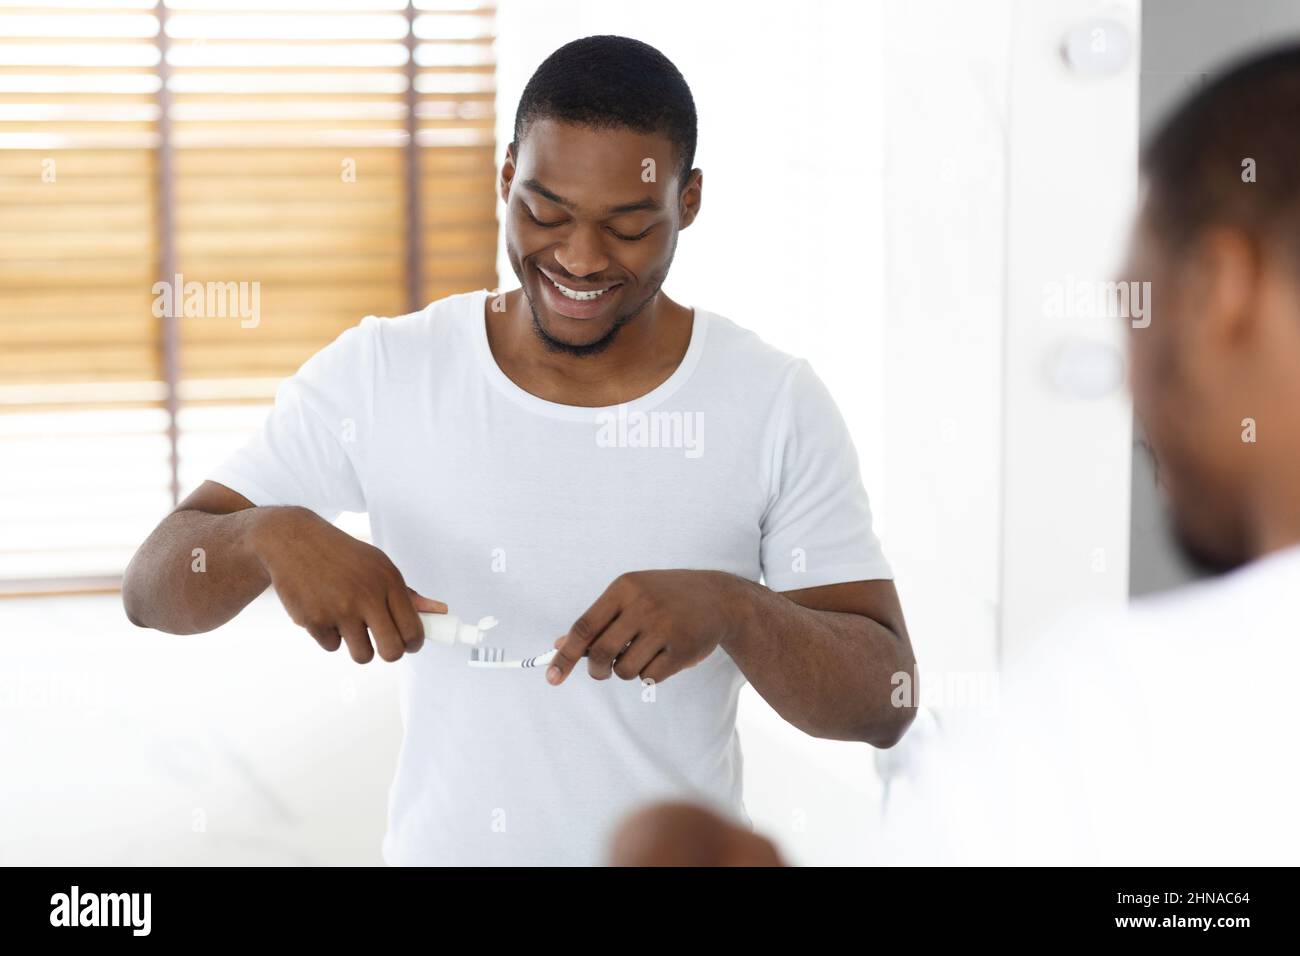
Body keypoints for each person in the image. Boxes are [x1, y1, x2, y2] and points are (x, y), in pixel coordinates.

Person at [122, 35, 915, 866]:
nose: (579, 259)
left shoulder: (772, 402)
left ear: (689, 201)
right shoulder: (387, 370)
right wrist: (264, 536)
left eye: (629, 225)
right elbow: (152, 588)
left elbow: (885, 699)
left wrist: (735, 607)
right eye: (545, 212)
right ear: (505, 179)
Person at [610, 43, 1300, 868]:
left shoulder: (1123, 718)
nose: (1131, 386)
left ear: (1221, 289)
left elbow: (886, 700)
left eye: (1133, 303)